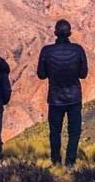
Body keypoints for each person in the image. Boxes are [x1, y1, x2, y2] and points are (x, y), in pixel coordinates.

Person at [37, 19, 88, 167]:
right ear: (70, 33)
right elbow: (83, 74)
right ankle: (70, 162)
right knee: (74, 131)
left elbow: (41, 74)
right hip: (74, 97)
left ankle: (56, 161)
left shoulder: (46, 51)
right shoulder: (78, 50)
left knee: (55, 132)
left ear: (55, 33)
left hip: (55, 98)